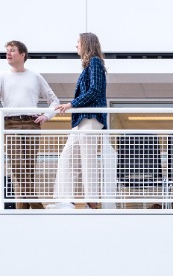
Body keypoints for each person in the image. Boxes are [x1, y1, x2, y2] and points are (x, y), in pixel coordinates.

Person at [0, 41, 60, 209]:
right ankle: (37, 206)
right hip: (11, 124)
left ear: (22, 55)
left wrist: (47, 115)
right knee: (18, 165)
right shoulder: (2, 76)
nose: (8, 54)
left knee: (28, 168)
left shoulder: (35, 76)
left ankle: (23, 212)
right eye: (7, 51)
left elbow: (54, 100)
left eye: (12, 51)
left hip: (32, 124)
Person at [51, 32, 108, 210]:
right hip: (82, 120)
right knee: (67, 159)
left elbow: (95, 91)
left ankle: (92, 203)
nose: (76, 45)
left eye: (78, 42)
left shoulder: (95, 63)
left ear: (86, 44)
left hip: (90, 118)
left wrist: (71, 104)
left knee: (87, 160)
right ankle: (65, 200)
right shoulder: (88, 66)